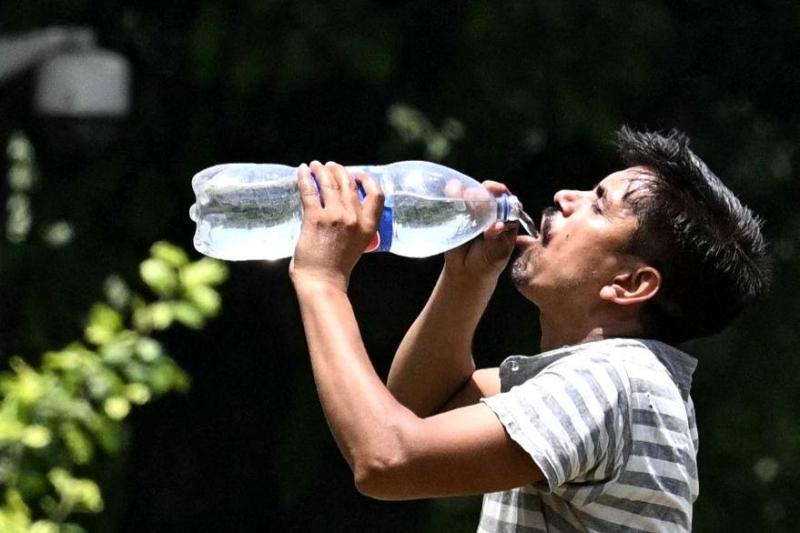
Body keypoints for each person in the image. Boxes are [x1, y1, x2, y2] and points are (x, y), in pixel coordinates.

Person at [288, 127, 770, 532]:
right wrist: (466, 280)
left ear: (629, 284)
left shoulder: (610, 382)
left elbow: (387, 459)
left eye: (599, 205)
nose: (566, 197)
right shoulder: (624, 385)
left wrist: (322, 280)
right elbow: (417, 409)